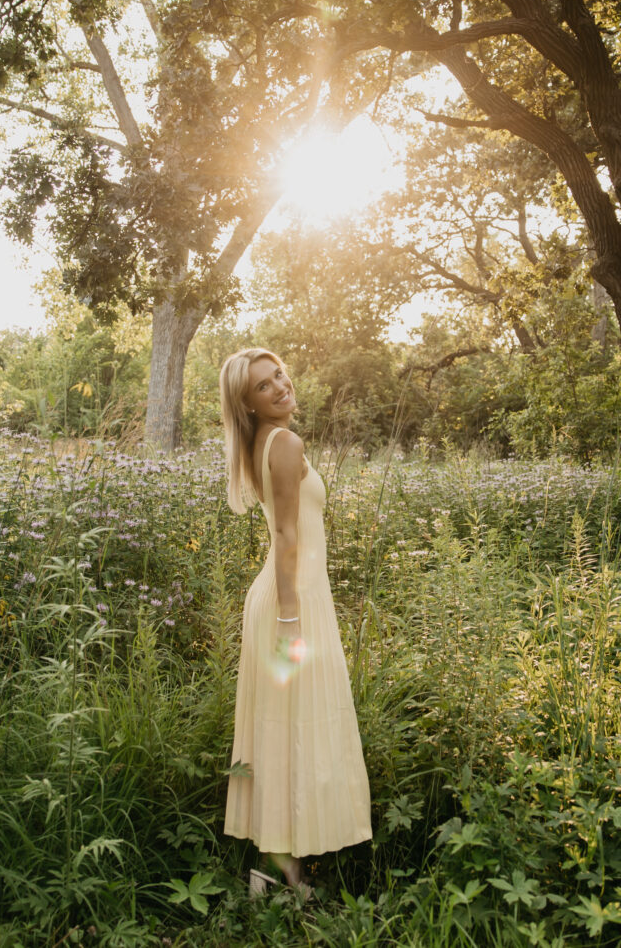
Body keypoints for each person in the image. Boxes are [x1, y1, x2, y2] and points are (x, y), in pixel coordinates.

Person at [218, 348, 372, 899]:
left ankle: (282, 873)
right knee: (296, 728)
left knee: (284, 730)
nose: (280, 386)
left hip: (293, 597)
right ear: (248, 404)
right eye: (264, 385)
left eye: (278, 374)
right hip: (291, 603)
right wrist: (289, 618)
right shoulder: (284, 443)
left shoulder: (264, 442)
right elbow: (286, 535)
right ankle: (288, 875)